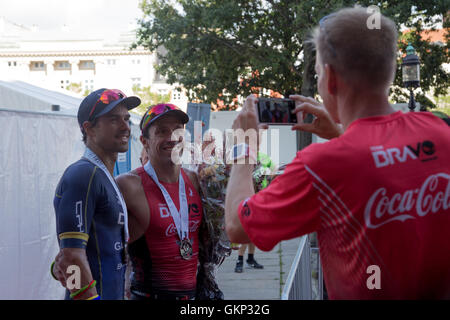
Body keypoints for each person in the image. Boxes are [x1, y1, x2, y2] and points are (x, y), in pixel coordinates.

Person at [225, 7, 450, 299]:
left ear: (329, 78)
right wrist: (339, 134)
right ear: (391, 70)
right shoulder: (439, 131)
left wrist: (244, 146)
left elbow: (237, 226)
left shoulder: (322, 166)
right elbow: (380, 162)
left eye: (317, 73)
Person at [51, 88, 141, 300]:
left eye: (126, 119)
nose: (125, 127)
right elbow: (71, 257)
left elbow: (67, 260)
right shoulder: (82, 174)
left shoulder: (102, 176)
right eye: (113, 119)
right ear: (89, 128)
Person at [116, 104, 203, 300]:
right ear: (144, 141)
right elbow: (105, 243)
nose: (172, 137)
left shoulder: (195, 180)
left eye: (178, 130)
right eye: (162, 131)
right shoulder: (128, 185)